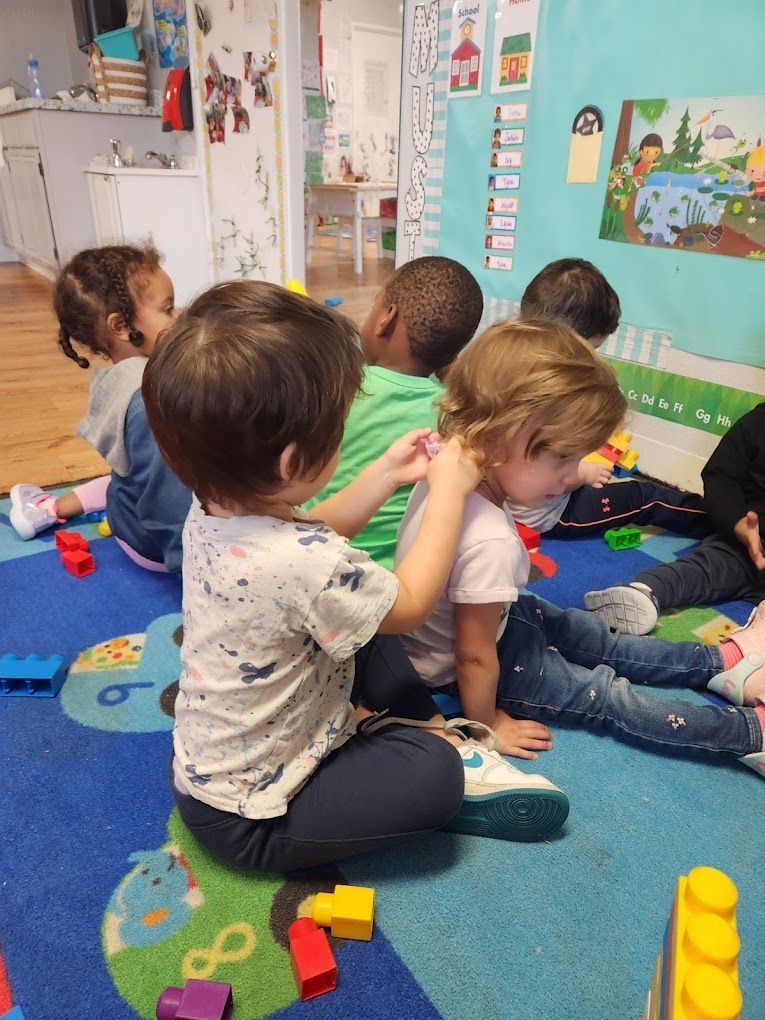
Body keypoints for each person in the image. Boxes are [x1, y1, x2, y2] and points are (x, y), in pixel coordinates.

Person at [142, 281, 569, 873]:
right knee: (434, 772)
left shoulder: (213, 501)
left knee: (369, 623)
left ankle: (388, 725)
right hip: (254, 818)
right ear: (294, 462)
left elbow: (314, 524)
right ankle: (428, 748)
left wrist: (386, 473)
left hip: (220, 760)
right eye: (339, 427)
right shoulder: (304, 563)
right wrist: (448, 490)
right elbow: (413, 603)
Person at [396, 321, 765, 779]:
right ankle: (747, 734)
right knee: (608, 695)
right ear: (497, 436)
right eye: (563, 459)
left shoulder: (447, 459)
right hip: (458, 666)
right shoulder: (490, 541)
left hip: (482, 625)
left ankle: (719, 662)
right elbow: (473, 657)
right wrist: (487, 722)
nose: (574, 476)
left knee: (583, 632)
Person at [9, 244, 191, 572]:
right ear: (121, 327)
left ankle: (48, 508)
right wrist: (196, 569)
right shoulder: (152, 403)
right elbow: (171, 503)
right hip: (156, 548)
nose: (178, 316)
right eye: (168, 308)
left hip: (125, 513)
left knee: (119, 480)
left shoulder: (114, 378)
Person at [510, 257, 712, 540]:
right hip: (551, 514)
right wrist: (584, 474)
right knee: (645, 496)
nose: (593, 357)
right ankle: (722, 522)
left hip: (507, 503)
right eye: (592, 348)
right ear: (571, 341)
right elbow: (555, 478)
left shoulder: (506, 366)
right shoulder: (561, 392)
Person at [306, 256, 483, 569]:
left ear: (386, 317)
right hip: (394, 571)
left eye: (376, 303)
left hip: (313, 551)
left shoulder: (340, 386)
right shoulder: (453, 410)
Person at [585, 403, 765, 635]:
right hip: (747, 544)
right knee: (707, 568)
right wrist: (737, 522)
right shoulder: (758, 421)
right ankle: (644, 592)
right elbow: (720, 478)